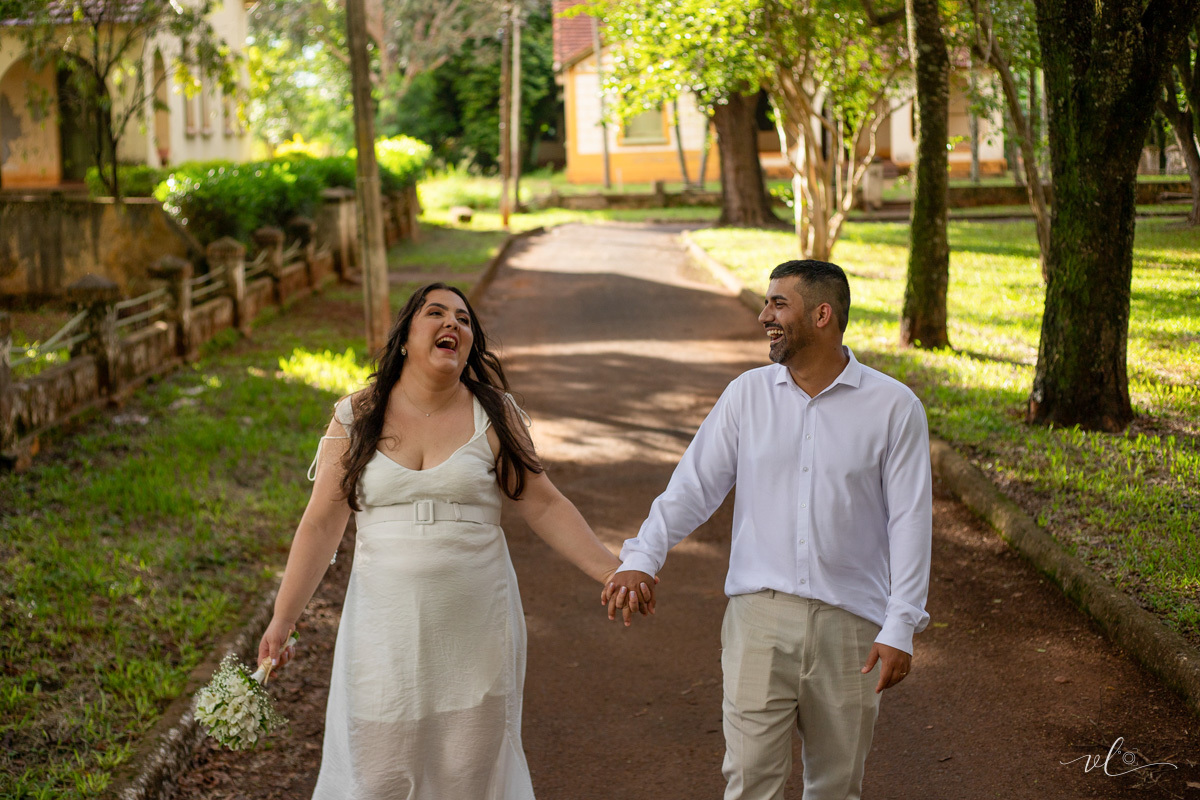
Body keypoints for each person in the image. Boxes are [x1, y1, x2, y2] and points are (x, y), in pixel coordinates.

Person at [258, 283, 649, 799]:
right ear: (404, 338)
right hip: (382, 629)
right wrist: (283, 619)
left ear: (469, 344)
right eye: (436, 313)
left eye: (463, 320)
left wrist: (611, 570)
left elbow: (544, 504)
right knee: (378, 774)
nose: (452, 324)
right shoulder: (356, 416)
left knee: (467, 774)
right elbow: (320, 524)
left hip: (476, 628)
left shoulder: (495, 414)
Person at [604, 260, 932, 800]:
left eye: (779, 304)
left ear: (822, 315)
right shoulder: (747, 395)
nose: (764, 316)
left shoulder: (894, 407)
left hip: (851, 626)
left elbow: (911, 521)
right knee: (750, 782)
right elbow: (693, 487)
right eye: (766, 303)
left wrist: (901, 624)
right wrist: (642, 556)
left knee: (836, 787)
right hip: (759, 620)